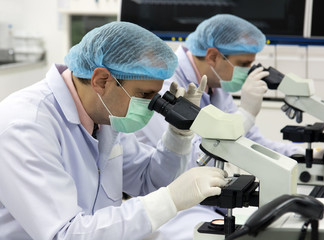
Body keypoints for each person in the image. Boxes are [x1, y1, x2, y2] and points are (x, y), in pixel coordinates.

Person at [0, 22, 228, 240]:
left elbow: (148, 181)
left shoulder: (105, 114)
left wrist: (178, 135)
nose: (152, 106)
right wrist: (170, 200)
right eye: (144, 95)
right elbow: (66, 234)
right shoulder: (26, 126)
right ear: (101, 80)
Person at [136, 14, 305, 240]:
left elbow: (253, 141)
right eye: (243, 64)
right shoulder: (165, 86)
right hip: (172, 203)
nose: (247, 71)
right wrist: (244, 114)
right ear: (214, 56)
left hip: (207, 197)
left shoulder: (214, 84)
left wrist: (300, 155)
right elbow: (191, 158)